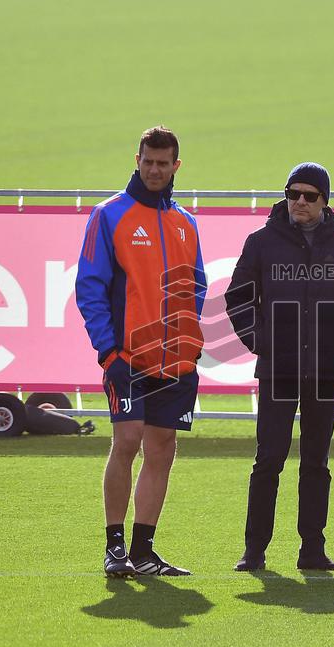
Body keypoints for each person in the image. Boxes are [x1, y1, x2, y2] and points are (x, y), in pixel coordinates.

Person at [225, 162, 334, 571]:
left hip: (326, 371)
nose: (300, 202)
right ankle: (254, 551)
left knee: (316, 462)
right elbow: (238, 298)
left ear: (324, 201)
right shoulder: (261, 242)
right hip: (278, 371)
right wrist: (262, 343)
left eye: (310, 196)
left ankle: (312, 550)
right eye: (293, 194)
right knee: (268, 460)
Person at [75, 126, 206, 577]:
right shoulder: (109, 215)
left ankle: (144, 552)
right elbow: (90, 287)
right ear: (137, 160)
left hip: (177, 361)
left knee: (163, 448)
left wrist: (189, 343)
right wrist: (109, 352)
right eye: (147, 161)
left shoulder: (186, 222)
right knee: (127, 441)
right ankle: (114, 548)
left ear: (176, 166)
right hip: (127, 358)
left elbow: (196, 286)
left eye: (162, 163)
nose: (154, 169)